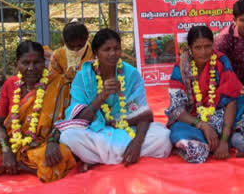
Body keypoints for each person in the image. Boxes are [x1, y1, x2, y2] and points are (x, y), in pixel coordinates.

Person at [0, 41, 76, 184]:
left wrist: (53, 142)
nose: (31, 68)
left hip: (40, 146)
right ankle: (17, 164)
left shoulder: (58, 84)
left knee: (62, 155)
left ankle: (18, 167)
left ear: (44, 63)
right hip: (11, 141)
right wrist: (6, 150)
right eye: (25, 63)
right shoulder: (10, 85)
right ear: (16, 65)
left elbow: (66, 122)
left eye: (37, 62)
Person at [57, 29, 171, 170]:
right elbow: (79, 119)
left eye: (117, 49)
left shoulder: (131, 74)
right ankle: (122, 155)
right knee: (69, 136)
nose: (113, 54)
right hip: (96, 131)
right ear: (96, 53)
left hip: (128, 129)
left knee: (163, 137)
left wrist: (137, 143)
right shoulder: (83, 77)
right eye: (107, 49)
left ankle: (98, 158)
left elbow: (143, 114)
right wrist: (102, 96)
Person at [167, 25, 243, 163]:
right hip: (194, 120)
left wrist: (224, 140)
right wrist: (203, 125)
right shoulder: (182, 66)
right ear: (190, 48)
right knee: (177, 131)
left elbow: (231, 99)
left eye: (207, 46)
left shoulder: (221, 61)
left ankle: (223, 141)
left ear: (213, 44)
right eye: (198, 47)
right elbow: (176, 109)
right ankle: (221, 141)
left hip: (222, 116)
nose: (203, 52)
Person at [48, 20, 94, 104]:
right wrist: (66, 78)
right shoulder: (57, 55)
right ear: (64, 42)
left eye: (80, 45)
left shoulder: (94, 53)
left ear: (87, 39)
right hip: (63, 93)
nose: (76, 49)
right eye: (71, 46)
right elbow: (53, 78)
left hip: (89, 92)